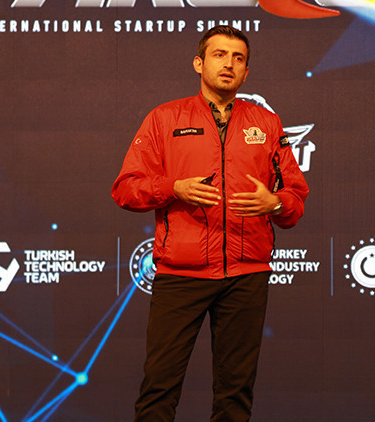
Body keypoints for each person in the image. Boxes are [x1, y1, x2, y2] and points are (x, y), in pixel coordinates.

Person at [111, 25, 309, 422]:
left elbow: (295, 198)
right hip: (180, 274)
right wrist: (173, 188)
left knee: (235, 395)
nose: (229, 64)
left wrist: (274, 202)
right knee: (158, 390)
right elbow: (125, 189)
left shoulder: (267, 123)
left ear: (246, 73)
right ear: (199, 64)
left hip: (246, 275)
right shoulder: (165, 118)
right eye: (219, 55)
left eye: (238, 58)